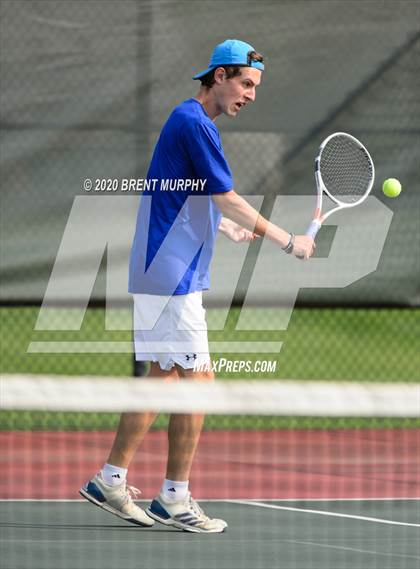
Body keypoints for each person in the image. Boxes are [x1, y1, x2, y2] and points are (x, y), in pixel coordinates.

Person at [80, 39, 314, 534]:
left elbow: (192, 190)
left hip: (163, 271)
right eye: (246, 84)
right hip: (170, 274)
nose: (250, 95)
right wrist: (286, 240)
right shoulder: (195, 123)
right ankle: (174, 496)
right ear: (220, 75)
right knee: (198, 383)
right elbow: (225, 195)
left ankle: (115, 480)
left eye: (255, 88)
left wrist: (224, 227)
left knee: (165, 377)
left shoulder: (188, 120)